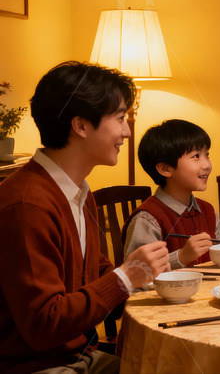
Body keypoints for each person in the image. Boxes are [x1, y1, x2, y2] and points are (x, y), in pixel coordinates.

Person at [0, 61, 170, 373]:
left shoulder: (79, 191)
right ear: (80, 125)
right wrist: (126, 277)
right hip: (35, 366)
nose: (127, 131)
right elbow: (44, 325)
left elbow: (94, 275)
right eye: (119, 118)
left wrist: (148, 280)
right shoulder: (27, 205)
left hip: (79, 356)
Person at [123, 119, 220, 269]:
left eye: (207, 155)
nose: (207, 165)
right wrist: (181, 257)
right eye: (196, 156)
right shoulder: (147, 218)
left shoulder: (208, 210)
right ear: (165, 169)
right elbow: (136, 272)